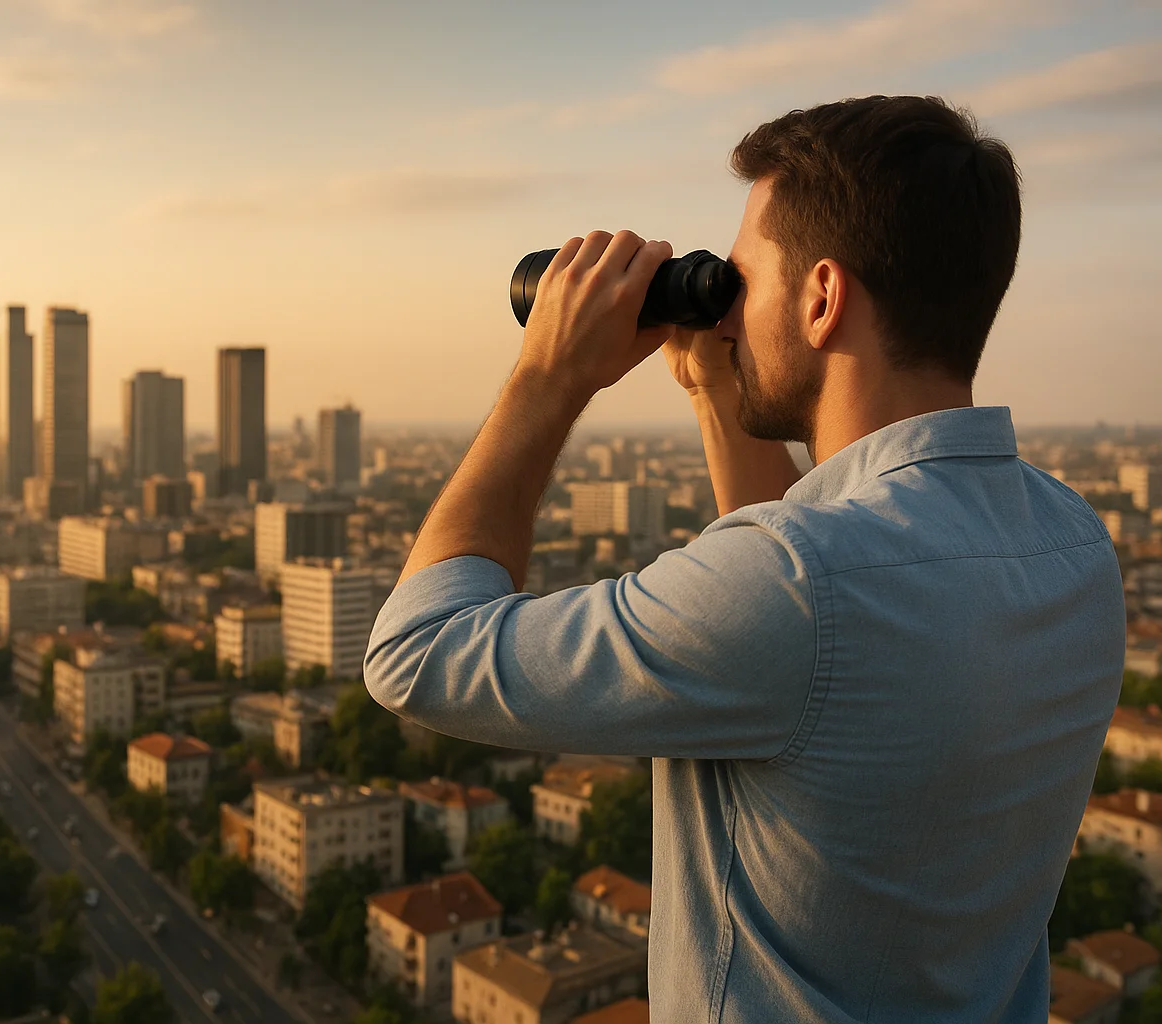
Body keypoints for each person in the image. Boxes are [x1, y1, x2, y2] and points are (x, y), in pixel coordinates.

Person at [363, 95, 1125, 1022]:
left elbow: (417, 648)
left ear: (821, 298)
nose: (725, 312)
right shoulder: (1073, 543)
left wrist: (548, 372)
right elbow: (810, 645)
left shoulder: (801, 586)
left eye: (743, 282)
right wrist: (718, 389)